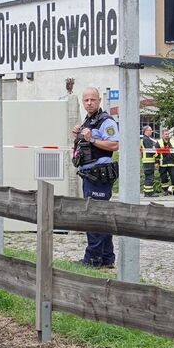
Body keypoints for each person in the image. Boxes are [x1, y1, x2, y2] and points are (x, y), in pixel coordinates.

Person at [71, 87, 120, 268]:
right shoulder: (88, 121)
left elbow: (114, 145)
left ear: (99, 100)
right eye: (86, 100)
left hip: (99, 176)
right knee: (103, 217)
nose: (89, 103)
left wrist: (91, 139)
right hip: (89, 175)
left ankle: (92, 259)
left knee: (93, 217)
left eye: (93, 99)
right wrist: (77, 136)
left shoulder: (106, 121)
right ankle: (106, 258)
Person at [141, 125, 158, 197]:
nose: (151, 131)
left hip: (146, 161)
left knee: (148, 176)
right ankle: (149, 193)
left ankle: (146, 191)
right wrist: (157, 156)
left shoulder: (144, 139)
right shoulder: (147, 139)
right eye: (150, 130)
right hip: (149, 160)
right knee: (150, 177)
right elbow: (151, 150)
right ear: (146, 131)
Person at [158, 128, 174, 195]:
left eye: (168, 134)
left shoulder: (172, 141)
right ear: (162, 135)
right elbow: (156, 153)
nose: (167, 135)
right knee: (164, 178)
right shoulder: (159, 142)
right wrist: (157, 162)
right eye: (166, 134)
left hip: (172, 162)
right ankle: (165, 191)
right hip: (163, 163)